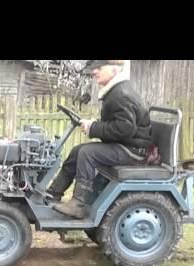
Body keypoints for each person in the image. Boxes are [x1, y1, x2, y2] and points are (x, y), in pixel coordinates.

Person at [48, 60, 153, 219]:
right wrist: (93, 124)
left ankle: (78, 204)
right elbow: (119, 124)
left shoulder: (121, 94)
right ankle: (53, 193)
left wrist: (94, 128)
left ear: (114, 70)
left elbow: (125, 129)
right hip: (126, 145)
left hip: (132, 151)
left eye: (99, 68)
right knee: (77, 151)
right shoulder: (116, 91)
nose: (94, 72)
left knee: (88, 153)